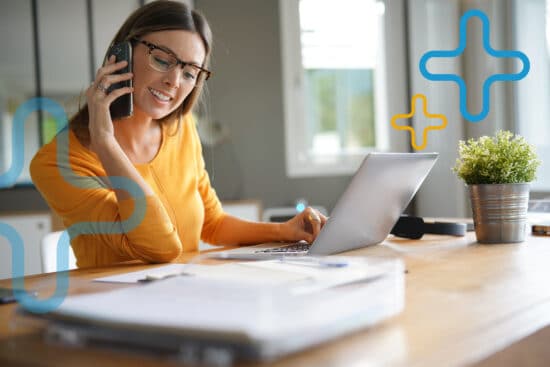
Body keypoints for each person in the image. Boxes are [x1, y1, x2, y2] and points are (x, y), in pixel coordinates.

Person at [30, 0, 326, 268]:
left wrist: (284, 231)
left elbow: (212, 223)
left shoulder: (182, 129)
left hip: (188, 299)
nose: (174, 81)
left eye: (189, 73)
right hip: (116, 312)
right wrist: (106, 142)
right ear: (121, 54)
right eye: (162, 59)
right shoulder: (56, 164)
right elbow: (159, 246)